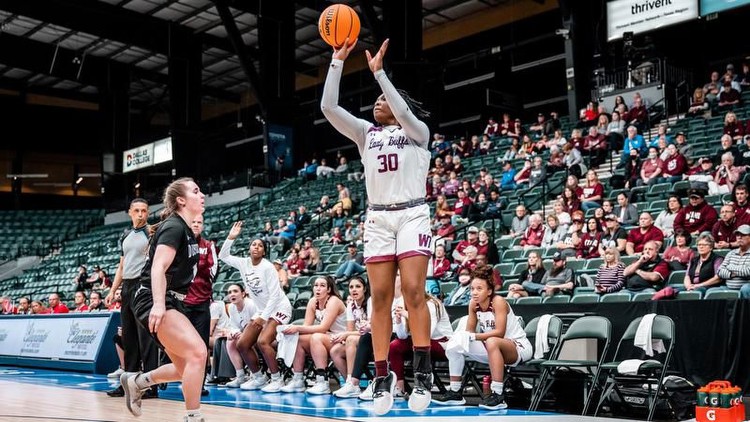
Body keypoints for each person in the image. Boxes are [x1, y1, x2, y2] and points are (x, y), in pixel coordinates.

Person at [322, 37, 435, 414]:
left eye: (384, 100)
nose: (379, 102)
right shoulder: (365, 134)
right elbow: (328, 106)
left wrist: (380, 75)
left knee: (415, 291)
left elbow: (402, 109)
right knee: (380, 298)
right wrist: (337, 61)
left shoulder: (417, 134)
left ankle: (423, 375)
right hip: (378, 216)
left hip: (413, 213)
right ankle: (383, 377)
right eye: (377, 99)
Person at [120, 178, 207, 422]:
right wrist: (159, 304)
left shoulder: (186, 229)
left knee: (185, 368)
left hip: (170, 299)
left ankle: (138, 382)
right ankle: (193, 417)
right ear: (181, 200)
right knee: (198, 353)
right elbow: (158, 267)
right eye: (196, 191)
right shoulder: (174, 227)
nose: (202, 195)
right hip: (153, 297)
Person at [433, 266, 532, 410]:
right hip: (492, 349)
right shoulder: (473, 304)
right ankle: (455, 392)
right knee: (455, 344)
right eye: (472, 288)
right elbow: (469, 332)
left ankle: (498, 395)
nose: (474, 292)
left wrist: (474, 336)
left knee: (492, 341)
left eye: (479, 289)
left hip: (517, 347)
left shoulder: (498, 301)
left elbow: (499, 333)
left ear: (489, 291)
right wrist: (463, 337)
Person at [218, 222, 293, 393]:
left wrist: (263, 317)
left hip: (280, 308)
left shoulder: (268, 267)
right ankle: (259, 377)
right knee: (243, 343)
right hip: (263, 310)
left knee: (262, 341)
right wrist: (231, 237)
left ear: (264, 251)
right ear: (249, 248)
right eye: (253, 244)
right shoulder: (244, 263)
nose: (256, 247)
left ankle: (277, 378)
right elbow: (223, 255)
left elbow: (275, 295)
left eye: (260, 245)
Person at [105, 198, 159, 400]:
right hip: (127, 287)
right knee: (129, 338)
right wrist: (112, 290)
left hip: (143, 286)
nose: (140, 214)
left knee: (145, 338)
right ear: (129, 212)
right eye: (136, 210)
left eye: (144, 211)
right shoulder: (126, 235)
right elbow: (122, 265)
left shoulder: (150, 233)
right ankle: (128, 384)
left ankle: (151, 386)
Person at [280, 276, 347, 394]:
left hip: (344, 339)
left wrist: (297, 328)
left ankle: (322, 382)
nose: (318, 288)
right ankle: (298, 380)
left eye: (322, 286)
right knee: (299, 339)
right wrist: (290, 330)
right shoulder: (313, 301)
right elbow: (307, 326)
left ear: (329, 289)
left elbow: (323, 328)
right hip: (329, 338)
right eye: (316, 285)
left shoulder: (334, 301)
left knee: (316, 337)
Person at [389, 293, 452, 400]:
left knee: (418, 344)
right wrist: (399, 321)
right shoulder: (404, 303)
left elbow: (428, 333)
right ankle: (400, 387)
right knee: (395, 346)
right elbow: (402, 336)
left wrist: (408, 314)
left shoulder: (432, 304)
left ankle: (422, 381)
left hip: (441, 343)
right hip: (418, 341)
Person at [184, 214, 218, 396]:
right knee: (180, 344)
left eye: (199, 223)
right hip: (183, 302)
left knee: (201, 346)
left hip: (202, 303)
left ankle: (200, 384)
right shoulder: (181, 245)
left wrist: (197, 264)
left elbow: (213, 274)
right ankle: (170, 373)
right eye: (193, 222)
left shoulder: (208, 246)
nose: (196, 225)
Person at [331, 277, 373, 398]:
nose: (354, 290)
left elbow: (370, 329)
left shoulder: (370, 301)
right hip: (358, 338)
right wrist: (342, 335)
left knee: (350, 339)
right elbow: (350, 330)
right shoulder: (350, 305)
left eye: (358, 287)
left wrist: (345, 335)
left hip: (371, 339)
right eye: (351, 287)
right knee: (335, 351)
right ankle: (349, 383)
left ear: (364, 289)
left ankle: (353, 383)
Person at [221, 283, 258, 388]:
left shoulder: (251, 304)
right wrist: (233, 333)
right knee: (230, 340)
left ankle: (255, 375)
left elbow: (258, 324)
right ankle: (240, 376)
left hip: (259, 333)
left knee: (244, 340)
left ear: (243, 294)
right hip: (244, 334)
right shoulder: (231, 308)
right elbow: (233, 326)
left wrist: (242, 333)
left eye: (235, 291)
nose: (232, 294)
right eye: (229, 292)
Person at [716, 225, 750, 298]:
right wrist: (732, 274)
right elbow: (719, 271)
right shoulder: (731, 253)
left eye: (743, 235)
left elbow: (747, 272)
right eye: (738, 235)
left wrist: (729, 267)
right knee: (712, 291)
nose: (739, 237)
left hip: (746, 287)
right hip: (729, 287)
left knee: (746, 289)